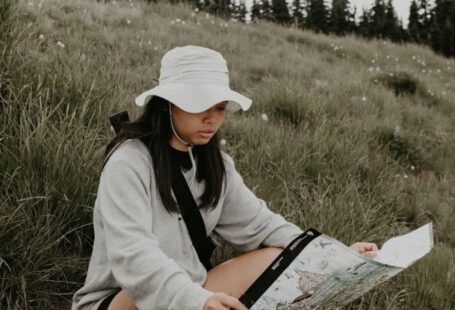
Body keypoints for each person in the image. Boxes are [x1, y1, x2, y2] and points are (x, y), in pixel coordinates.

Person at [72, 45, 378, 310]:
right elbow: (133, 256)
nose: (212, 118)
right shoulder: (128, 162)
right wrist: (195, 300)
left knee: (279, 257)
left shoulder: (215, 164)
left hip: (192, 292)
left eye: (219, 108)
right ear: (167, 103)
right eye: (199, 105)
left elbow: (262, 225)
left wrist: (337, 256)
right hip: (126, 298)